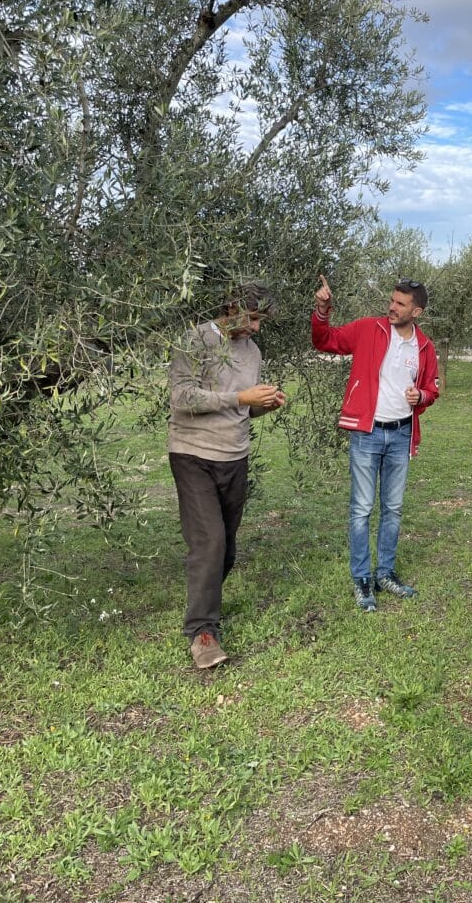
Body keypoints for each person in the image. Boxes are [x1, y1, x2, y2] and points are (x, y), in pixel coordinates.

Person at [169, 285, 286, 669]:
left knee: (227, 549)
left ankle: (204, 602)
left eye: (261, 322)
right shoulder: (196, 339)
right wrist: (240, 398)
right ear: (232, 308)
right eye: (253, 319)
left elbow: (245, 410)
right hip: (193, 454)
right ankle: (202, 632)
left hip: (235, 456)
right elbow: (182, 398)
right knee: (211, 542)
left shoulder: (252, 352)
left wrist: (264, 405)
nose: (256, 329)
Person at [312, 275, 439, 612]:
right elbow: (325, 340)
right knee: (362, 509)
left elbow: (432, 389)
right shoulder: (369, 328)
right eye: (392, 300)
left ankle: (385, 573)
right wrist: (323, 310)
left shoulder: (424, 347)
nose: (392, 307)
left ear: (417, 311)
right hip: (367, 433)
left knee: (393, 509)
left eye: (400, 304)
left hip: (401, 434)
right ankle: (362, 579)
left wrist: (421, 395)